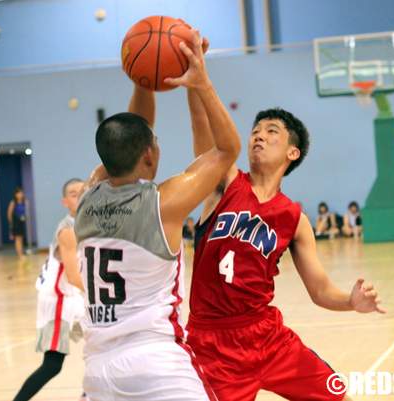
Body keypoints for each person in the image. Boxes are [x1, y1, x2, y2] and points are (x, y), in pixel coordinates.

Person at [186, 61, 384, 400]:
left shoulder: (294, 218)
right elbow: (204, 131)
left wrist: (351, 302)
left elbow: (320, 290)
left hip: (268, 338)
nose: (259, 135)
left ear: (293, 152)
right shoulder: (225, 184)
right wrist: (196, 83)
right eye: (255, 130)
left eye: (271, 130)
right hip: (213, 345)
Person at [75, 30, 241, 401]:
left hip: (97, 370)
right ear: (150, 154)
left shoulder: (87, 197)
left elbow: (131, 130)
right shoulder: (164, 202)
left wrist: (144, 79)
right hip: (156, 365)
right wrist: (200, 82)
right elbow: (227, 148)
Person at [13, 179, 87, 401]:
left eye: (83, 192)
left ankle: (91, 393)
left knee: (101, 340)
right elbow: (73, 276)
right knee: (53, 365)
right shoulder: (68, 229)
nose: (80, 196)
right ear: (65, 201)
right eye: (74, 194)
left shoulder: (87, 222)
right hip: (58, 301)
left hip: (73, 297)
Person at [7, 188, 28, 259]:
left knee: (21, 239)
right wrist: (11, 223)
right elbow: (9, 214)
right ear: (15, 195)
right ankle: (19, 255)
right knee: (17, 239)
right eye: (19, 193)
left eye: (21, 193)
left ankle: (21, 253)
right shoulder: (13, 202)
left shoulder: (23, 202)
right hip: (15, 223)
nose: (20, 195)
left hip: (21, 222)